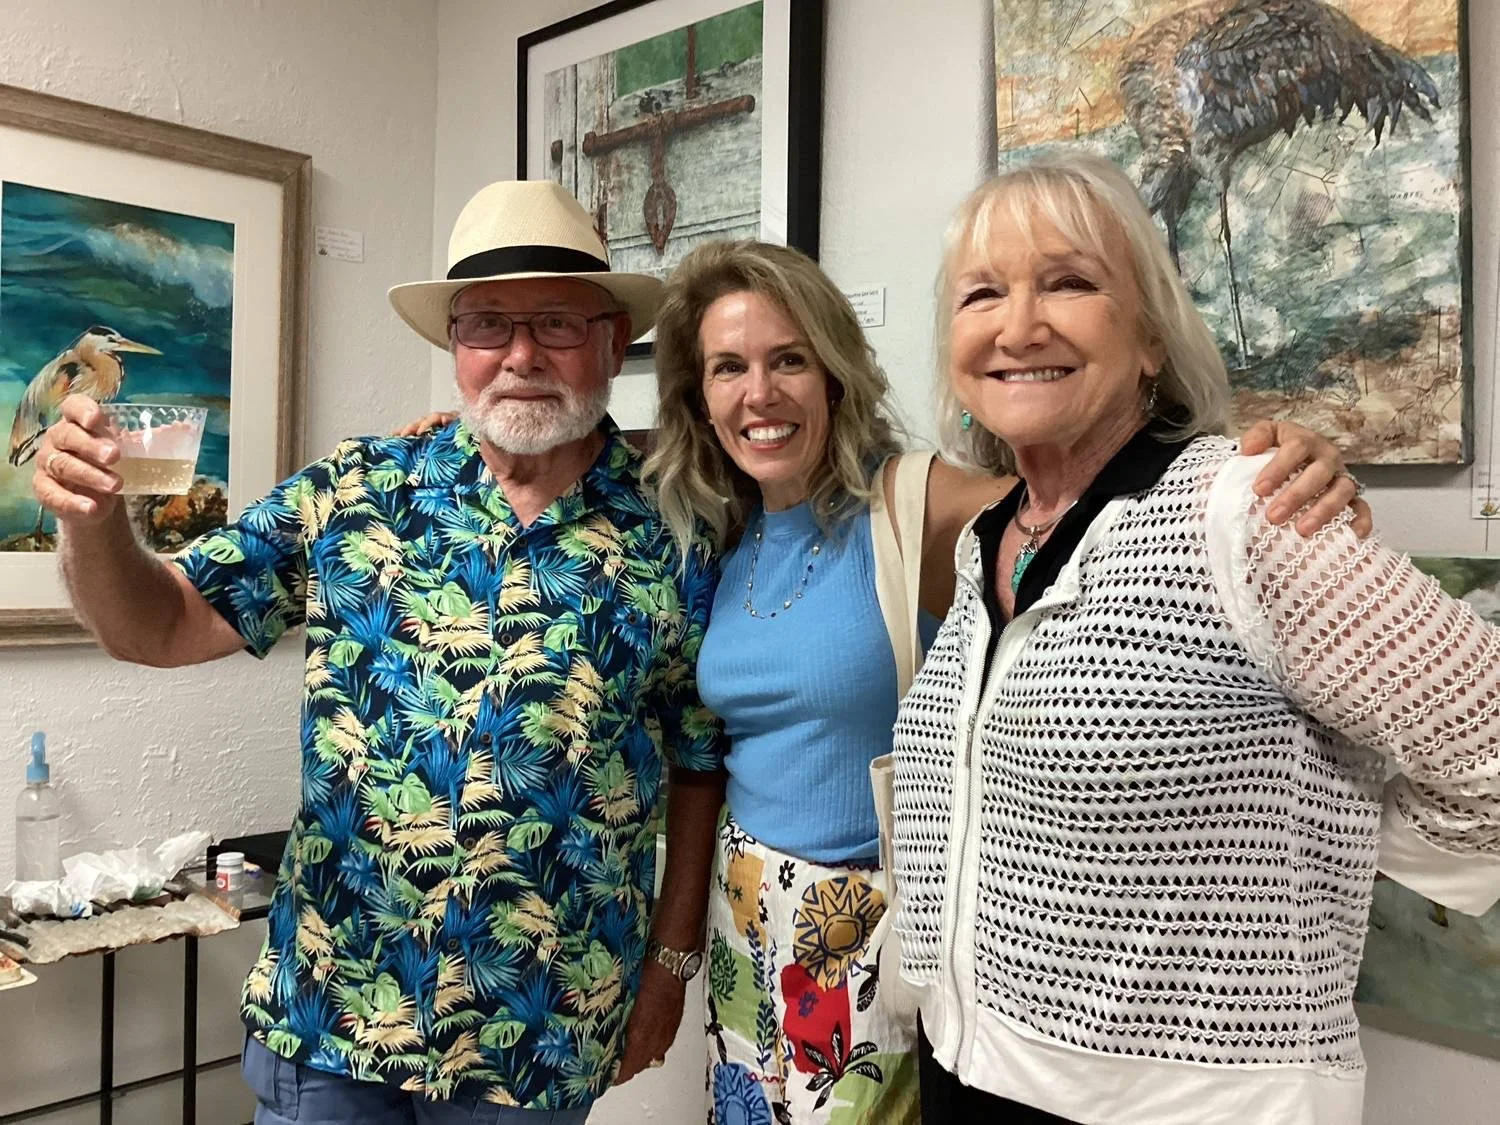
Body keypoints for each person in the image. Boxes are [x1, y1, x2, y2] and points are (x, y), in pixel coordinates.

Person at [29, 180, 727, 1124]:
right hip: (334, 1018)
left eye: (557, 322)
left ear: (611, 340)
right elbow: (154, 626)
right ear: (456, 346)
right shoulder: (357, 490)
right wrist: (93, 522)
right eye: (488, 323)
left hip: (542, 1032)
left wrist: (672, 965)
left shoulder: (675, 532)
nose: (521, 354)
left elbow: (699, 761)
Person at [638, 237, 1369, 1124]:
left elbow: (1098, 495)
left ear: (833, 375)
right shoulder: (719, 525)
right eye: (729, 367)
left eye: (789, 359)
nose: (760, 392)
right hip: (746, 916)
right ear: (700, 396)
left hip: (872, 931)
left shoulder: (913, 504)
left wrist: (1265, 469)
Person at [889, 150, 1500, 1125]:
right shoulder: (989, 538)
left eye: (1069, 282)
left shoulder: (1243, 513)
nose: (1018, 325)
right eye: (982, 294)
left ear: (1148, 337)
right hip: (968, 1065)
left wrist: (1330, 833)